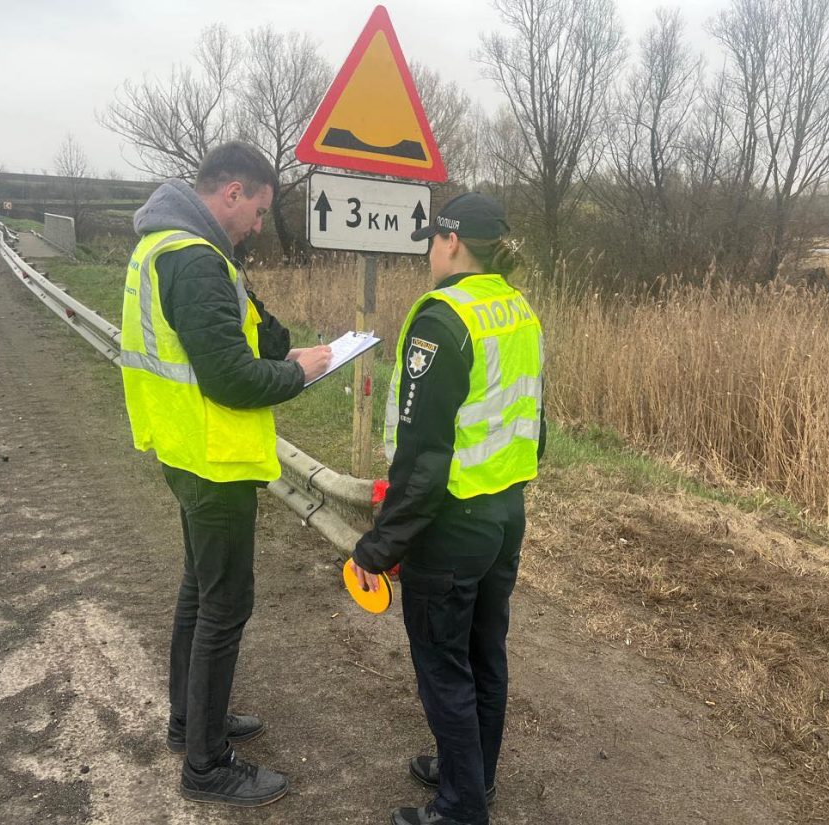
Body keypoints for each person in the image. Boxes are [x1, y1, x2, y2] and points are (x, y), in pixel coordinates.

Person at [120, 141, 332, 807]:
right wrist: (299, 372)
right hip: (212, 456)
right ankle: (207, 765)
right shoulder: (193, 259)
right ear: (232, 194)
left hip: (187, 449)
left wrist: (283, 344)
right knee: (224, 603)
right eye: (260, 211)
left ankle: (192, 721)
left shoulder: (181, 247)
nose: (261, 226)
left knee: (199, 591)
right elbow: (234, 378)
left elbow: (243, 337)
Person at [350, 193, 545, 825]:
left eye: (434, 237)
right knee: (486, 653)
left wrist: (382, 545)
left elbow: (424, 456)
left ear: (452, 242)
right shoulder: (518, 311)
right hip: (506, 512)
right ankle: (474, 775)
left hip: (454, 524)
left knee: (444, 668)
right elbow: (534, 428)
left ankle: (461, 808)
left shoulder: (443, 319)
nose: (430, 248)